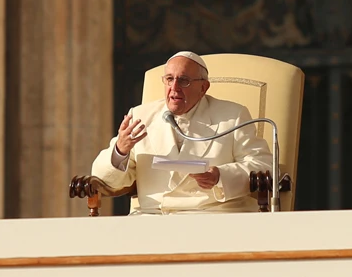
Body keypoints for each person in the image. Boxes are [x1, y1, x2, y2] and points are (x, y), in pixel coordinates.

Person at [91, 51, 272, 214]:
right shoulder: (140, 116)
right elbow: (102, 177)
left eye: (183, 80)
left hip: (213, 218)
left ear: (203, 88)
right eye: (169, 79)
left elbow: (264, 165)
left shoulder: (233, 116)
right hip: (152, 219)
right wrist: (120, 150)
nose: (174, 88)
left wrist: (220, 176)